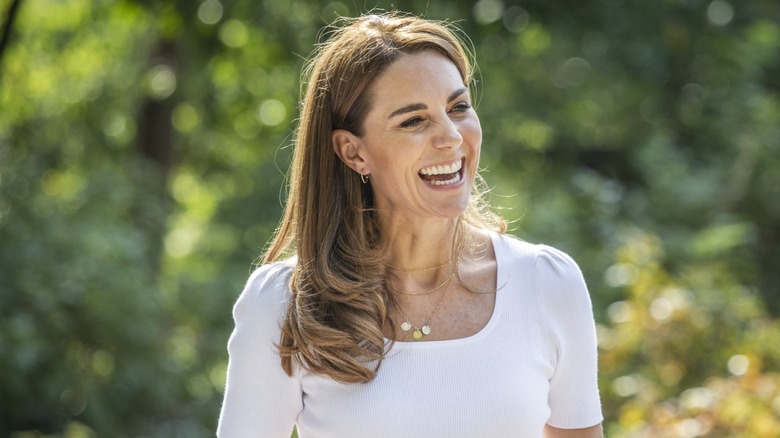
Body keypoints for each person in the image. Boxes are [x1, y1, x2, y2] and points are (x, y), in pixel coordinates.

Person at [217, 11, 603, 438]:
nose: (451, 137)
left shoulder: (548, 283)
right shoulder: (284, 303)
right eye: (413, 120)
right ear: (353, 152)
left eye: (458, 107)